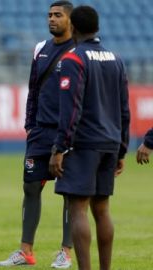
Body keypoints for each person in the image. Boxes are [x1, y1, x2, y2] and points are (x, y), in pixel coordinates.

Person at [49, 5, 130, 270]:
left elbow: (72, 108)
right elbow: (124, 108)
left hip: (83, 144)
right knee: (102, 209)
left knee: (78, 208)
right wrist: (121, 150)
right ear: (96, 27)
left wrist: (60, 147)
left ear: (72, 26)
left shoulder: (73, 60)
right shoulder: (115, 58)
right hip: (110, 143)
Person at [0, 1, 74, 268]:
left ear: (71, 20)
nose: (52, 19)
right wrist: (30, 124)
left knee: (68, 191)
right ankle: (26, 251)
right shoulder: (41, 49)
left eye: (58, 15)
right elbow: (34, 88)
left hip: (68, 133)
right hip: (40, 132)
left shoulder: (79, 50)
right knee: (30, 187)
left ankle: (65, 252)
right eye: (49, 15)